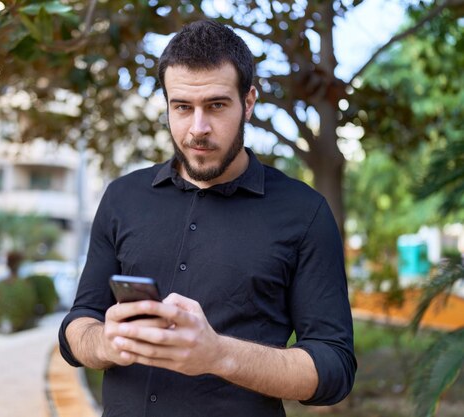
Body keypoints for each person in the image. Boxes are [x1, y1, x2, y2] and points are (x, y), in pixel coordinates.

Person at [59, 20, 356, 417]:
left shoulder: (305, 212)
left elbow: (334, 367)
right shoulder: (122, 198)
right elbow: (78, 324)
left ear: (248, 102)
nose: (197, 129)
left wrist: (219, 355)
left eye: (216, 105)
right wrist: (106, 343)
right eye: (182, 107)